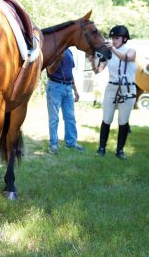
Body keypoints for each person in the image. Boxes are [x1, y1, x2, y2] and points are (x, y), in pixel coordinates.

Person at [94, 25, 136, 160]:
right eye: (113, 38)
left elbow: (126, 58)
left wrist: (111, 49)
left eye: (116, 38)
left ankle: (120, 150)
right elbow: (98, 69)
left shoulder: (131, 50)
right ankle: (101, 148)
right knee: (106, 118)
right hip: (112, 87)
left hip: (127, 88)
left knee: (123, 121)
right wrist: (98, 56)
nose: (114, 40)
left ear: (124, 39)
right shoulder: (110, 52)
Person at [46, 48, 86, 154]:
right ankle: (53, 145)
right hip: (55, 86)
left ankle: (71, 143)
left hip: (68, 88)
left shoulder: (69, 52)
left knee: (70, 117)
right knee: (54, 118)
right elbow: (50, 70)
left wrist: (75, 90)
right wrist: (58, 59)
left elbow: (70, 73)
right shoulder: (53, 50)